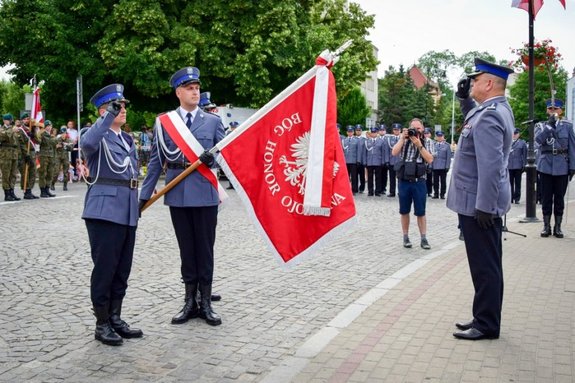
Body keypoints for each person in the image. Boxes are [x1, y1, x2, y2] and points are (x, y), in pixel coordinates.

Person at [139, 67, 225, 326]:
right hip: (177, 193)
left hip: (205, 192)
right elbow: (156, 160)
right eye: (189, 88)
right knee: (187, 250)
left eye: (197, 87)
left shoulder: (212, 121)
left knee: (205, 250)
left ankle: (206, 302)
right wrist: (144, 195)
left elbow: (226, 152)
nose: (195, 91)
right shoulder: (165, 122)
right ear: (178, 92)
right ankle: (189, 301)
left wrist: (215, 158)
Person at [447, 58, 515, 340]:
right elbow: (474, 122)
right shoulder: (495, 110)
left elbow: (490, 165)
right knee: (487, 263)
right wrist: (464, 100)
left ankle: (486, 324)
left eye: (475, 81)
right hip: (478, 201)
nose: (471, 83)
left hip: (478, 204)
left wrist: (485, 207)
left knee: (484, 265)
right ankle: (483, 316)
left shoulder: (489, 115)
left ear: (488, 84)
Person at [82, 84, 142, 346]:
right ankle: (102, 322)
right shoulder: (95, 134)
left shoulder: (126, 139)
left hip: (127, 209)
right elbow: (87, 143)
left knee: (122, 269)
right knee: (105, 268)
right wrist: (107, 118)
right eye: (117, 106)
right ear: (103, 110)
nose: (123, 110)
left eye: (124, 105)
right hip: (104, 211)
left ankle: (116, 317)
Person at [534, 98, 575, 238]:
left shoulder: (567, 126)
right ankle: (546, 226)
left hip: (562, 166)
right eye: (550, 109)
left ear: (561, 110)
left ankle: (558, 227)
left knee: (559, 198)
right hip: (545, 165)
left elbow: (572, 147)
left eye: (555, 109)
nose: (553, 111)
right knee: (546, 198)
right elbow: (538, 141)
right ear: (547, 110)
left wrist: (572, 166)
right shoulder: (541, 126)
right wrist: (549, 128)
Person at [391, 118, 434, 249]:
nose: (415, 131)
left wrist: (418, 144)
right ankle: (405, 237)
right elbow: (394, 152)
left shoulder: (427, 142)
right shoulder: (404, 140)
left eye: (418, 128)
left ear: (422, 129)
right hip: (404, 181)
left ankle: (423, 238)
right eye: (413, 128)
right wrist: (402, 139)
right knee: (404, 211)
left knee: (421, 212)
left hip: (419, 181)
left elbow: (430, 159)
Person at [17, 113, 40, 199]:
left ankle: (30, 190)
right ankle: (26, 191)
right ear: (22, 120)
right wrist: (26, 155)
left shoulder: (31, 129)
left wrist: (33, 134)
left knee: (33, 172)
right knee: (25, 172)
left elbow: (38, 141)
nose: (27, 120)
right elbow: (21, 144)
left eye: (27, 119)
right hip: (24, 154)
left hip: (32, 153)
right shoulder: (20, 130)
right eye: (25, 119)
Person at [1, 113, 21, 201]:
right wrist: (12, 130)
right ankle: (7, 193)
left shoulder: (13, 129)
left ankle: (12, 192)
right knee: (6, 174)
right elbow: (4, 136)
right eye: (8, 120)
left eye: (10, 120)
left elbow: (17, 143)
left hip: (14, 154)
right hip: (5, 154)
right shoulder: (2, 129)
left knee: (13, 174)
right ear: (4, 120)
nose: (10, 121)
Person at [37, 120, 57, 198]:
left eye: (50, 126)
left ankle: (47, 189)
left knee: (50, 173)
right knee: (43, 173)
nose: (49, 127)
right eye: (47, 126)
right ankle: (42, 191)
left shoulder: (52, 135)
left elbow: (54, 144)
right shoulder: (42, 134)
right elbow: (40, 141)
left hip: (51, 156)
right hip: (43, 156)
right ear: (45, 127)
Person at [507, 128, 527, 204]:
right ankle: (510, 198)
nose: (514, 135)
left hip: (518, 166)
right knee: (510, 183)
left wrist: (524, 165)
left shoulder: (522, 143)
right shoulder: (508, 142)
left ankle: (517, 198)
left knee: (518, 183)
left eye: (516, 134)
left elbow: (524, 155)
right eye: (513, 134)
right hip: (509, 165)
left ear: (518, 134)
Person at [431, 131, 452, 199]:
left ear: (443, 137)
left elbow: (448, 157)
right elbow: (430, 156)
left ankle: (442, 194)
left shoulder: (447, 145)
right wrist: (430, 165)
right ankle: (436, 193)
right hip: (435, 165)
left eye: (441, 136)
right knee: (435, 181)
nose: (440, 138)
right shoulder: (433, 144)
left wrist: (447, 166)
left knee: (443, 181)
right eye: (438, 136)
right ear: (436, 137)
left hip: (443, 166)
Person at [365, 126, 384, 196]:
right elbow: (365, 153)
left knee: (378, 177)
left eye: (374, 132)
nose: (373, 134)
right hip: (369, 161)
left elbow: (383, 152)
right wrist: (365, 161)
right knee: (370, 177)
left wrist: (383, 161)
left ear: (377, 133)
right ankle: (370, 191)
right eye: (372, 132)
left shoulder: (381, 141)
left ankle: (377, 191)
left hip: (378, 162)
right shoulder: (367, 141)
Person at [52, 126, 73, 191]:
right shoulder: (56, 139)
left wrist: (67, 146)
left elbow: (71, 149)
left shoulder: (69, 140)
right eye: (62, 133)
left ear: (66, 133)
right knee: (56, 171)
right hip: (57, 157)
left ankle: (65, 185)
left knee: (66, 172)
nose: (63, 135)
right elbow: (51, 147)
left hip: (65, 157)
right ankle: (52, 184)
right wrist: (56, 146)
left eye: (64, 133)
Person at [342, 125, 360, 194]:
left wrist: (358, 160)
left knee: (354, 176)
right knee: (346, 177)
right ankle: (345, 190)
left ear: (353, 132)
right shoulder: (344, 140)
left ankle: (354, 190)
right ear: (347, 132)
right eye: (349, 132)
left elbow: (358, 151)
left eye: (351, 132)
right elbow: (342, 151)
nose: (350, 133)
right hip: (346, 161)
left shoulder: (356, 140)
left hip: (353, 161)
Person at [386, 124, 402, 197]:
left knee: (400, 178)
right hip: (392, 160)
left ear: (400, 130)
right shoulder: (389, 139)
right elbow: (386, 151)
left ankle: (400, 192)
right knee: (392, 178)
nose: (396, 131)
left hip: (400, 161)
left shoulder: (402, 138)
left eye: (398, 129)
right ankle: (392, 192)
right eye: (395, 129)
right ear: (393, 130)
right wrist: (387, 160)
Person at [354, 124, 366, 193]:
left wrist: (364, 161)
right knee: (354, 176)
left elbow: (365, 152)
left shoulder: (364, 140)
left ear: (361, 131)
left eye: (359, 130)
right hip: (354, 161)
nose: (358, 132)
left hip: (361, 160)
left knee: (362, 176)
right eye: (357, 130)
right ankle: (355, 188)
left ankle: (362, 188)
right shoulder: (353, 139)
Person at [423, 128, 434, 197]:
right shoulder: (421, 140)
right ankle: (425, 190)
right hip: (422, 160)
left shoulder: (431, 141)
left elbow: (432, 152)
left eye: (427, 133)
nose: (426, 135)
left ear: (430, 134)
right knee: (423, 177)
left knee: (429, 177)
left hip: (428, 160)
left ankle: (429, 191)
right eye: (425, 133)